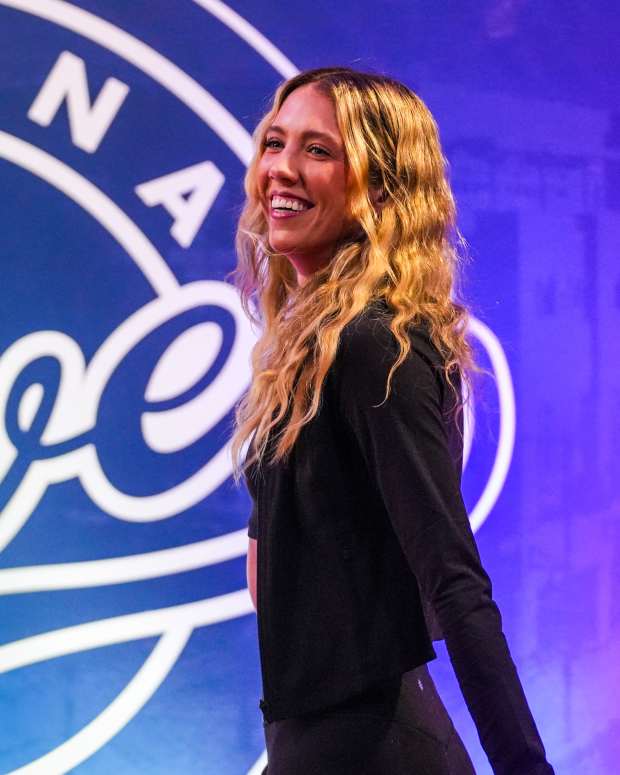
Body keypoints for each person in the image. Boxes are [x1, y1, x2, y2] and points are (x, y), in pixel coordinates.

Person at [231, 67, 554, 775]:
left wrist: (526, 767)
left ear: (381, 187)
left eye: (318, 150)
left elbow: (454, 580)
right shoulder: (307, 345)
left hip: (377, 748)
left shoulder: (376, 345)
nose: (280, 169)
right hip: (314, 737)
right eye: (275, 142)